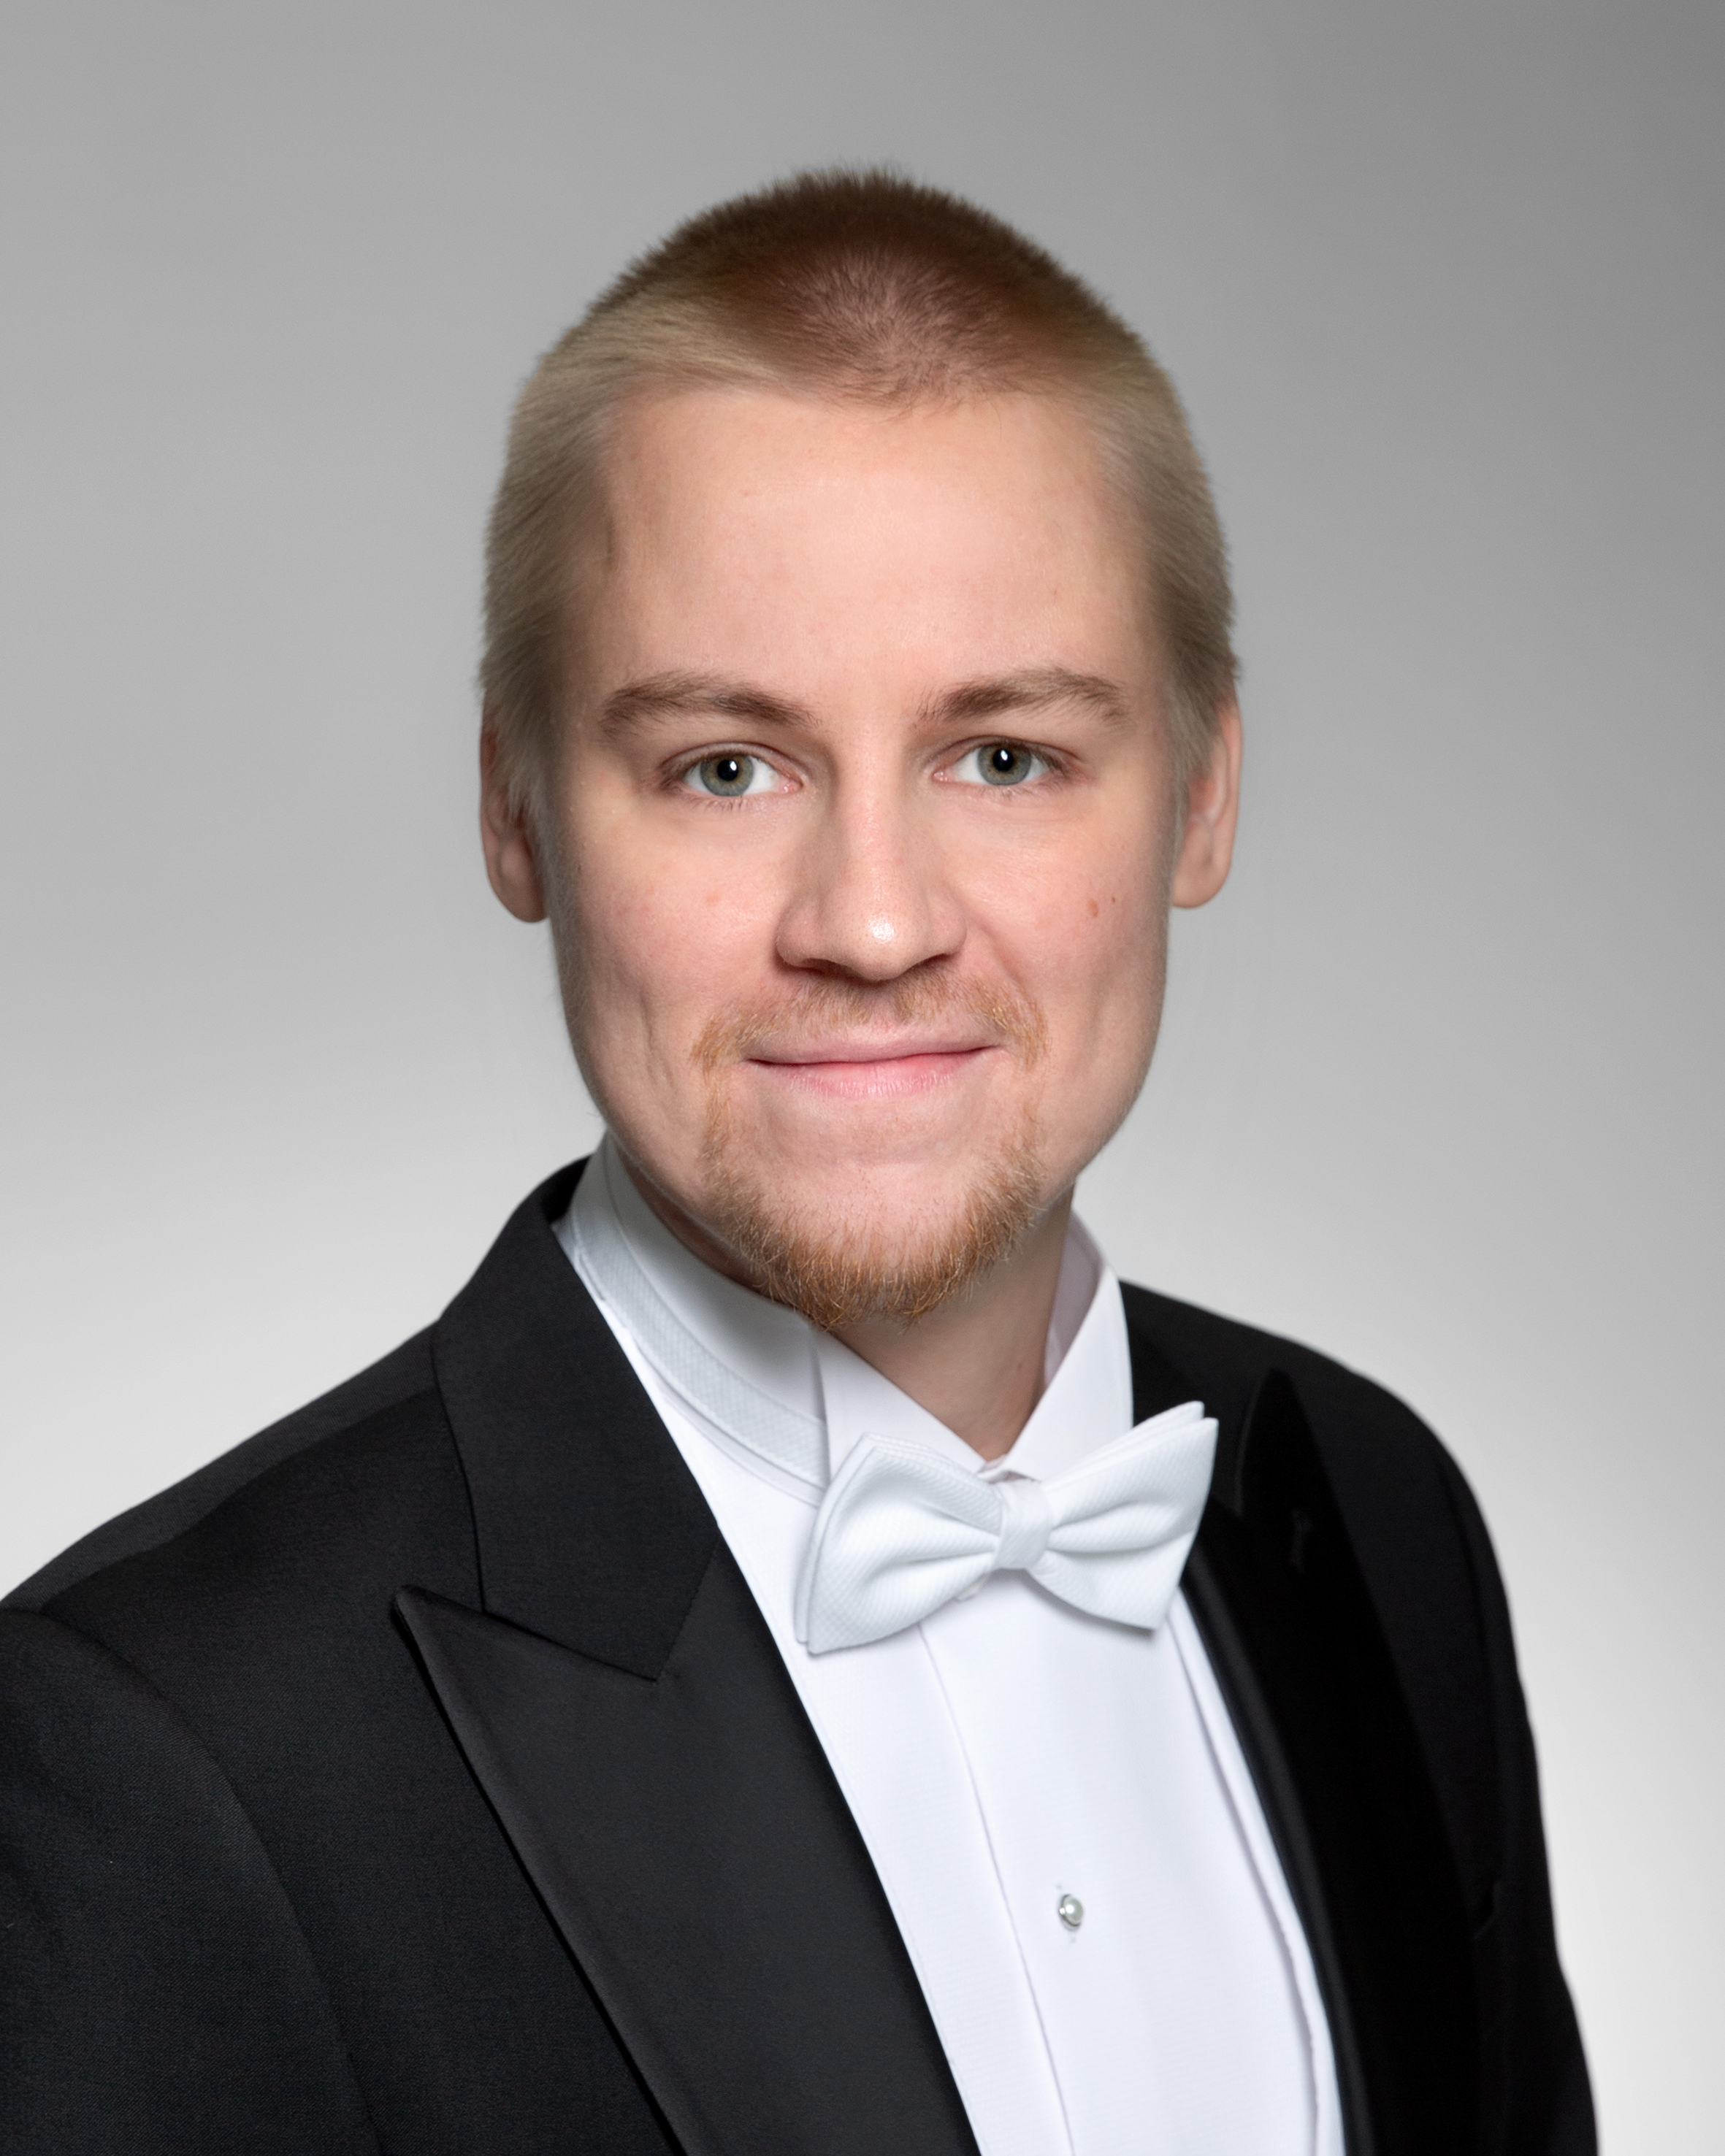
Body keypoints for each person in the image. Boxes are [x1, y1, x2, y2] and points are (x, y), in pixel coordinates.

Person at [0, 172, 1591, 2156]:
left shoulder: (1373, 1515)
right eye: (725, 766)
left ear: (1200, 793)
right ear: (514, 809)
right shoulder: (159, 1748)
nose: (872, 922)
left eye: (1003, 756)